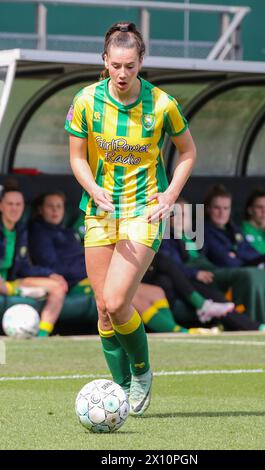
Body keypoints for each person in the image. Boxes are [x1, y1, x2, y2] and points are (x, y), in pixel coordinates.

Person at [65, 21, 197, 415]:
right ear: (104, 60)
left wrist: (171, 195)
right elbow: (75, 156)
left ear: (141, 63)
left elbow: (188, 152)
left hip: (143, 211)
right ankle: (120, 391)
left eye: (130, 66)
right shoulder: (86, 100)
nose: (122, 74)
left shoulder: (162, 104)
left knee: (118, 300)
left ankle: (141, 372)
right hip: (100, 212)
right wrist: (92, 187)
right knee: (102, 309)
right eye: (116, 65)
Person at [29, 191, 209, 335]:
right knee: (129, 295)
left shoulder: (66, 232)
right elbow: (53, 265)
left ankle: (169, 330)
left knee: (157, 291)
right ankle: (178, 332)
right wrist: (88, 268)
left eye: (59, 206)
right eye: (50, 206)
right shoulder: (39, 232)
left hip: (88, 275)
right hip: (76, 282)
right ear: (40, 210)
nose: (55, 210)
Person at [203, 184, 265, 326]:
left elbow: (252, 254)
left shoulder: (234, 230)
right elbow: (225, 260)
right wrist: (238, 256)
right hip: (235, 272)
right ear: (209, 209)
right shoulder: (204, 230)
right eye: (217, 208)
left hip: (250, 267)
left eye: (226, 208)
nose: (222, 213)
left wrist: (238, 255)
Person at [0, 184, 68, 337]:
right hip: (3, 284)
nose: (14, 208)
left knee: (58, 287)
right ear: (1, 206)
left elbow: (23, 267)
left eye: (18, 204)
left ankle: (41, 336)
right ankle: (17, 291)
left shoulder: (21, 229)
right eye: (10, 204)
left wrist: (50, 274)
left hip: (11, 282)